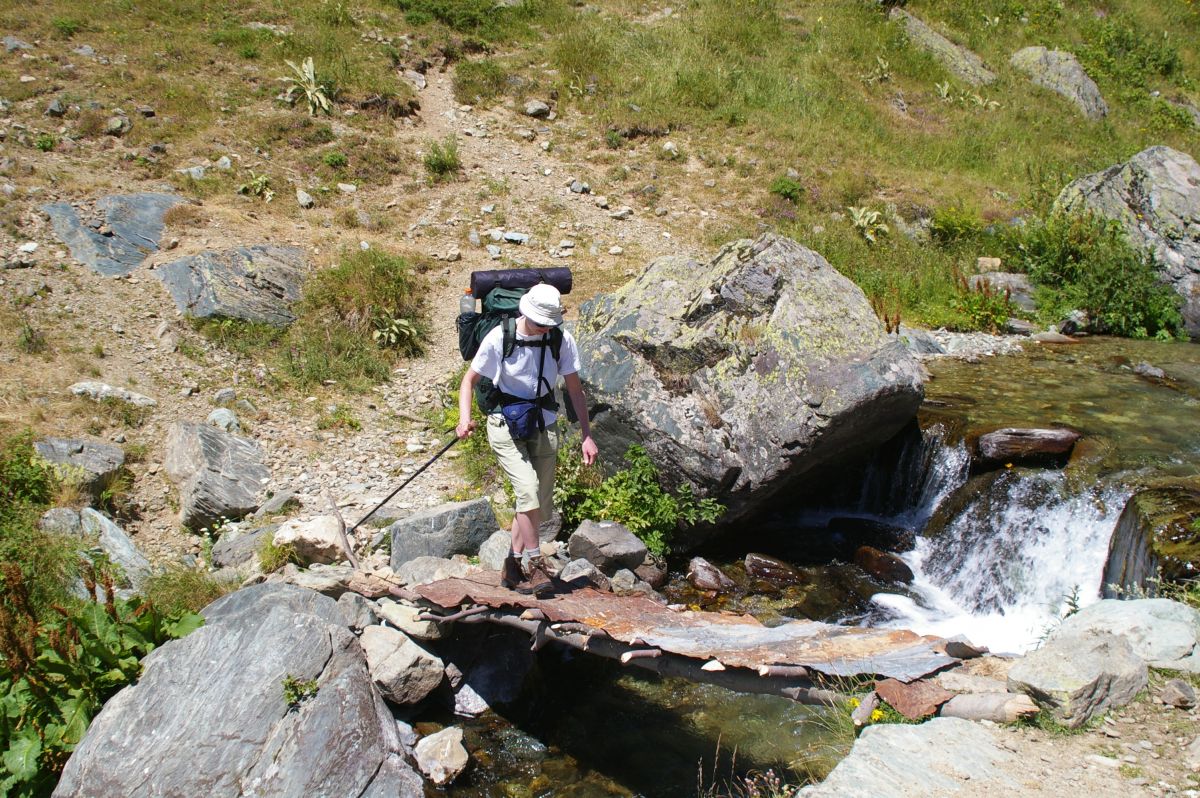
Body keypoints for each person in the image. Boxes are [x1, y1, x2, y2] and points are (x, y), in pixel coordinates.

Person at [456, 283, 599, 596]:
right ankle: (535, 566)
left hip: (543, 422)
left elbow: (575, 390)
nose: (543, 330)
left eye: (549, 325)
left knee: (538, 505)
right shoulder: (500, 337)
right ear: (524, 313)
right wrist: (464, 419)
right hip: (504, 421)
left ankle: (511, 564)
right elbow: (469, 381)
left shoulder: (560, 339)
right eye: (539, 324)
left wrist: (587, 435)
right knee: (528, 492)